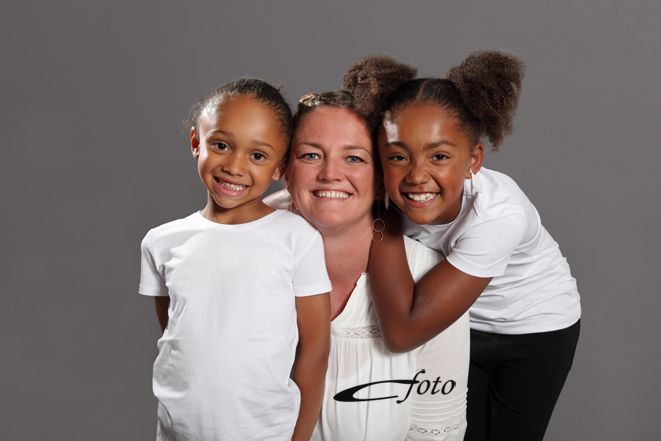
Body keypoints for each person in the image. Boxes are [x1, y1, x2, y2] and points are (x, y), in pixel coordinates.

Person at [358, 51, 581, 441]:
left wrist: (385, 221)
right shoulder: (380, 195)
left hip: (534, 329)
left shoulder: (497, 215)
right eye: (397, 156)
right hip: (458, 325)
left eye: (440, 156)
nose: (417, 176)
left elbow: (403, 332)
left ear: (473, 160)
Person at [266, 58, 470, 441]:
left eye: (355, 158)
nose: (330, 174)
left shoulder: (429, 279)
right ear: (285, 170)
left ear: (381, 181)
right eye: (311, 155)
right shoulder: (247, 259)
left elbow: (435, 433)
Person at [138, 78, 331, 441]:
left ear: (279, 167)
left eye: (257, 156)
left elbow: (315, 353)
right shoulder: (161, 242)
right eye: (222, 145)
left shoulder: (297, 239)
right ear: (197, 142)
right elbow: (177, 336)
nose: (235, 166)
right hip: (178, 432)